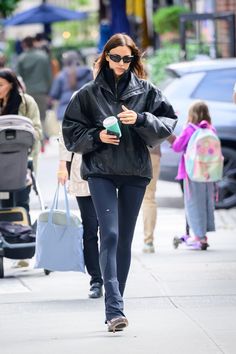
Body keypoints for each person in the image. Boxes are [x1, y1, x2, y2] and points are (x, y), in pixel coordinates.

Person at [62, 33, 177, 332]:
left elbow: (167, 123)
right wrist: (96, 137)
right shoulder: (87, 94)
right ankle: (114, 309)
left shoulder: (147, 91)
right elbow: (70, 132)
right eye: (116, 58)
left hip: (135, 171)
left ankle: (116, 303)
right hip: (100, 169)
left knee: (124, 239)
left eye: (127, 59)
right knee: (109, 234)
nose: (121, 64)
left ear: (133, 60)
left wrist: (139, 119)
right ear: (105, 57)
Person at [0, 68, 42, 267]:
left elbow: (37, 131)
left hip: (21, 163)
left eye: (1, 85)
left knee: (21, 202)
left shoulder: (27, 103)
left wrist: (30, 160)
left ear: (11, 84)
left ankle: (22, 247)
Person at [57, 133, 103, 299]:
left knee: (109, 230)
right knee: (90, 229)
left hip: (110, 171)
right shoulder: (78, 106)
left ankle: (112, 277)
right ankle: (96, 279)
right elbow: (65, 134)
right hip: (83, 172)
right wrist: (62, 166)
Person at [167, 101, 216, 250]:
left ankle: (198, 238)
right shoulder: (210, 129)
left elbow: (177, 147)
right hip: (208, 174)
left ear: (191, 114)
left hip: (191, 174)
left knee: (193, 205)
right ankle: (202, 235)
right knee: (205, 203)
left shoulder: (189, 129)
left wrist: (169, 133)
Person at [16, 36, 52, 144]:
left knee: (29, 116)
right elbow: (48, 75)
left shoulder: (21, 58)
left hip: (27, 92)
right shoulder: (43, 57)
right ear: (34, 43)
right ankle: (43, 137)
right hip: (42, 91)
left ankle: (33, 138)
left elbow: (18, 77)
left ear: (24, 45)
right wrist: (49, 91)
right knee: (42, 116)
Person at [49, 50, 93, 122]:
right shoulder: (88, 73)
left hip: (65, 113)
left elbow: (54, 95)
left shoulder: (60, 76)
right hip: (86, 113)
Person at [142, 145, 161, 253]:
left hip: (124, 153)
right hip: (152, 151)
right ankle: (148, 242)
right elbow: (165, 130)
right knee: (149, 197)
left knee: (121, 196)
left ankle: (120, 241)